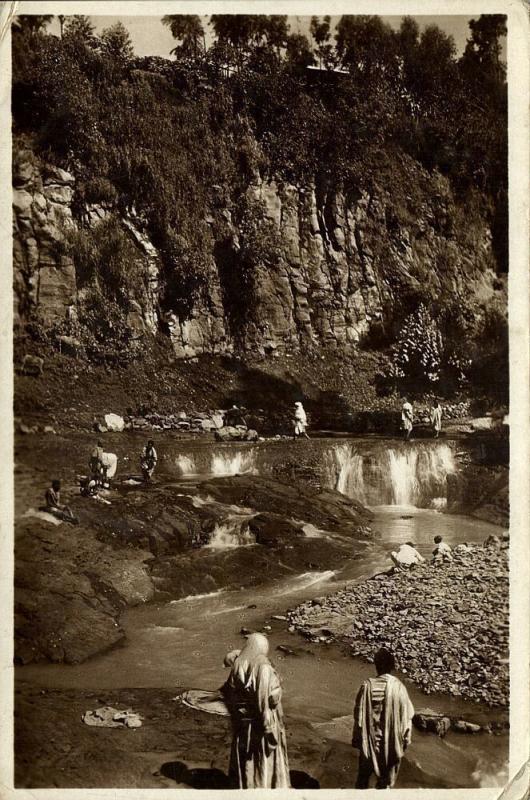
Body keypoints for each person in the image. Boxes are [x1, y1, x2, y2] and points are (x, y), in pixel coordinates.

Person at [220, 633, 290, 789]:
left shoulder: (239, 663)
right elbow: (263, 699)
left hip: (244, 722)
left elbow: (229, 692)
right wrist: (268, 727)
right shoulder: (263, 666)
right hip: (261, 721)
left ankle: (245, 786)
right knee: (263, 760)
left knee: (246, 759)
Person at [352, 647, 414, 789]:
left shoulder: (366, 686)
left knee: (362, 782)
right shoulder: (399, 687)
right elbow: (407, 717)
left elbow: (358, 717)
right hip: (391, 745)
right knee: (386, 785)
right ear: (392, 667)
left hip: (369, 743)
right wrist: (406, 740)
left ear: (376, 665)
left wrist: (356, 740)